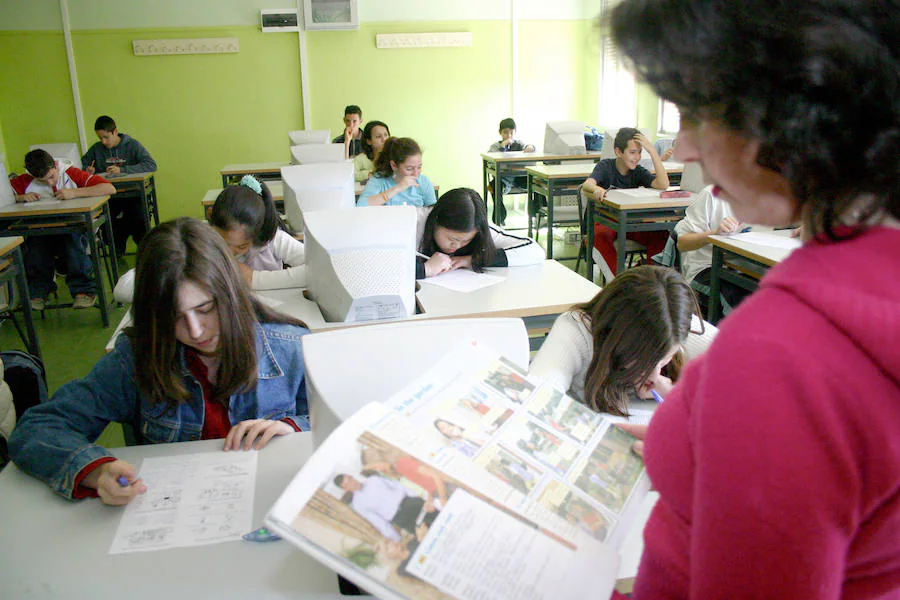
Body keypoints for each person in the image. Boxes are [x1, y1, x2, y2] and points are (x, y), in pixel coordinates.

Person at [607, 1, 900, 598]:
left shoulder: (777, 358)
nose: (683, 149)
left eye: (695, 113)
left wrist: (742, 421)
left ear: (786, 111)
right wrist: (702, 445)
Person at [8, 218, 311, 505]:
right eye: (174, 317)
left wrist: (295, 427)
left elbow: (352, 424)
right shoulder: (138, 356)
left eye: (205, 308)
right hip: (173, 512)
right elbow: (38, 427)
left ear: (231, 293)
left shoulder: (290, 347)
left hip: (264, 504)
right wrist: (95, 471)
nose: (194, 331)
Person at [529, 265, 716, 416]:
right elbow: (537, 399)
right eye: (643, 359)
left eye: (664, 360)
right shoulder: (575, 330)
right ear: (616, 336)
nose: (654, 375)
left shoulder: (675, 324)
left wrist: (678, 392)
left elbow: (742, 366)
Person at [10, 149, 115, 311]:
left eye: (52, 177)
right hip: (43, 229)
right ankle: (39, 292)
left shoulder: (70, 173)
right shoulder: (25, 180)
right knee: (34, 246)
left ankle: (83, 291)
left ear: (55, 166)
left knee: (71, 242)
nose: (50, 184)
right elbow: (6, 196)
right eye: (42, 181)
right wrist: (19, 197)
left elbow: (109, 189)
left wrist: (74, 193)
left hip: (72, 227)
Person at [583, 127, 670, 278]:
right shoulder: (606, 166)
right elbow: (587, 184)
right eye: (632, 152)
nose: (637, 157)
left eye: (640, 152)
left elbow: (663, 184)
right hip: (605, 221)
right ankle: (619, 282)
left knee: (661, 235)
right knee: (599, 236)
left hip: (628, 222)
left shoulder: (637, 171)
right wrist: (597, 189)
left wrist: (653, 152)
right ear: (618, 152)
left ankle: (649, 280)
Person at [417, 187, 543, 278]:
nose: (457, 246)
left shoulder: (477, 227)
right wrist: (426, 269)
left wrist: (472, 260)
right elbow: (396, 268)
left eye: (466, 241)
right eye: (452, 239)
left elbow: (534, 250)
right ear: (436, 221)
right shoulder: (415, 223)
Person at [209, 175, 306, 290]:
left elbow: (318, 269)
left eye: (242, 246)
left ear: (257, 233)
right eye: (223, 243)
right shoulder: (205, 243)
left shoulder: (274, 240)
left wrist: (254, 279)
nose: (230, 251)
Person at [81, 115, 158, 258]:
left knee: (137, 218)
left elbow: (151, 165)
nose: (103, 142)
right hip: (111, 197)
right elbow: (82, 166)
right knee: (105, 218)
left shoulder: (132, 145)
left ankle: (146, 253)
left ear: (115, 131)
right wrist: (87, 169)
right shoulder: (96, 149)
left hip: (133, 194)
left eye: (106, 137)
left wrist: (123, 170)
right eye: (100, 138)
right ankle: (117, 247)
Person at [674, 184, 753, 314]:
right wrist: (715, 233)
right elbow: (682, 243)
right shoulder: (712, 194)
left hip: (746, 269)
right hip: (706, 268)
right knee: (739, 303)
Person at [335, 473, 437, 542]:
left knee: (439, 517)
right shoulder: (358, 505)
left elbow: (398, 486)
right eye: (348, 483)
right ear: (345, 488)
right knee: (429, 538)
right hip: (401, 518)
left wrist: (418, 497)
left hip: (411, 503)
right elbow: (378, 522)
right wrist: (397, 540)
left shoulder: (373, 480)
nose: (353, 482)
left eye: (350, 478)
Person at [357, 137, 436, 208]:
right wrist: (397, 188)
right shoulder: (379, 180)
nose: (416, 174)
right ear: (394, 165)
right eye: (409, 169)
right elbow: (361, 205)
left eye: (419, 167)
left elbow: (434, 214)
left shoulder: (424, 182)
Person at [487, 117, 535, 225]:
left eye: (511, 132)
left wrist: (530, 147)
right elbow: (491, 162)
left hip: (520, 178)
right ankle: (499, 219)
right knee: (493, 186)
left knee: (537, 182)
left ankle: (537, 215)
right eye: (505, 132)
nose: (508, 136)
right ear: (500, 133)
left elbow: (530, 147)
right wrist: (502, 147)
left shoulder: (519, 144)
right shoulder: (495, 147)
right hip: (504, 180)